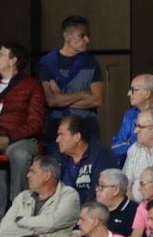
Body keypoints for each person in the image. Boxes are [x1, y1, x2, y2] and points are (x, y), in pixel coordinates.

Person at [0, 41, 47, 207]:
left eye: (0, 54)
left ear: (13, 61)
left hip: (20, 138)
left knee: (20, 155)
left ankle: (18, 207)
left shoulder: (31, 85)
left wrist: (9, 138)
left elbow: (36, 122)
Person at [37, 15, 107, 148]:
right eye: (82, 35)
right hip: (57, 126)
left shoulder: (91, 62)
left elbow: (97, 100)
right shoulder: (47, 63)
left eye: (88, 35)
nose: (87, 40)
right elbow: (50, 100)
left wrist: (61, 99)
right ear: (66, 36)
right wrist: (83, 93)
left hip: (87, 125)